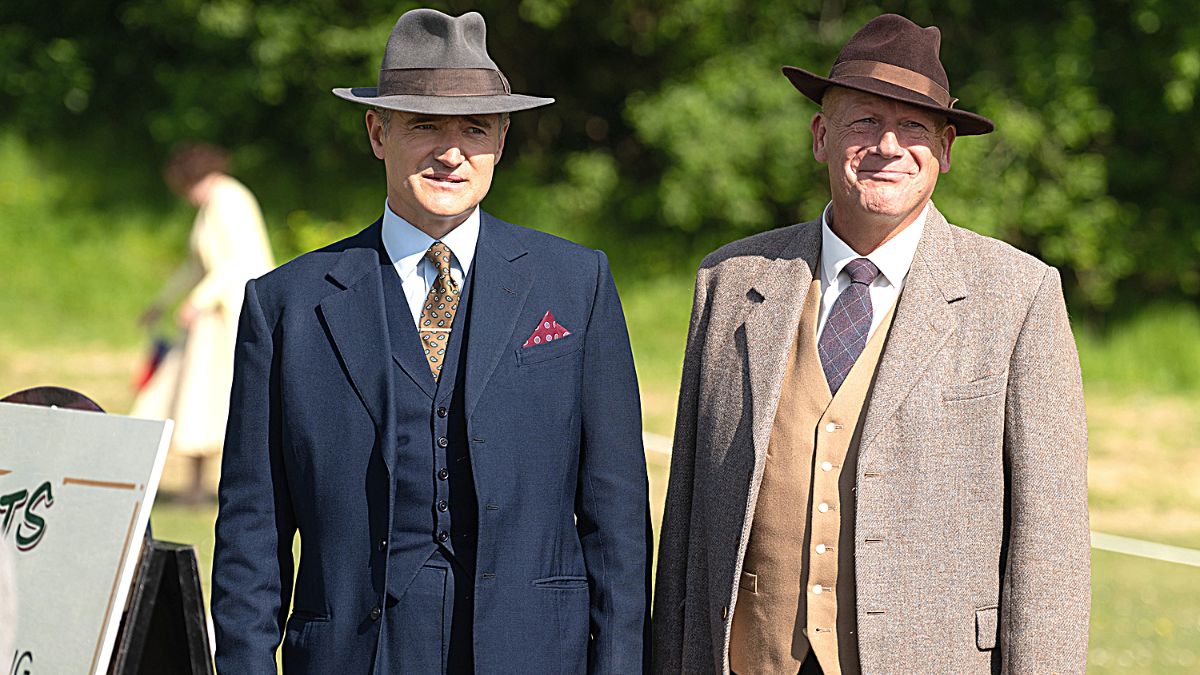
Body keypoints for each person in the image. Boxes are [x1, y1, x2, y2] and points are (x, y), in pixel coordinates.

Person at [211, 9, 650, 674]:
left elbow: (616, 517)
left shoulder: (576, 283)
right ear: (377, 132)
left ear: (501, 140)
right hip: (351, 657)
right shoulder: (285, 305)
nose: (451, 152)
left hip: (534, 654)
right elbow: (252, 528)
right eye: (424, 126)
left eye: (474, 128)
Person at [653, 14, 1089, 674]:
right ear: (821, 137)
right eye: (863, 122)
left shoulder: (1018, 296)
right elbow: (684, 523)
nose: (888, 145)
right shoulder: (730, 281)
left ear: (945, 149)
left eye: (913, 127)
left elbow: (1049, 546)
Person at [132, 143, 274, 504]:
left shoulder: (229, 200)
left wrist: (197, 301)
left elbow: (238, 262)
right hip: (210, 318)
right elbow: (196, 265)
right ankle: (194, 488)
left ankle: (223, 490)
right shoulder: (212, 205)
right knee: (193, 400)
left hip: (231, 317)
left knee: (216, 401)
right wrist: (160, 303)